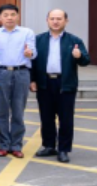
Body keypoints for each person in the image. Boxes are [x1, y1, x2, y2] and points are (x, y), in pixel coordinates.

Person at [31, 9, 91, 163]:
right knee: (46, 117)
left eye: (59, 18)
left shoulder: (74, 40)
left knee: (66, 119)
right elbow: (33, 62)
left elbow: (86, 61)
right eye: (52, 18)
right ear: (47, 20)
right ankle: (49, 146)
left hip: (65, 83)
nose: (55, 21)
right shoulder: (39, 40)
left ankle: (63, 149)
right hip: (45, 82)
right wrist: (33, 80)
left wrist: (79, 56)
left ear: (66, 21)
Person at [0, 4, 36, 159]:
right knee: (1, 111)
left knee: (18, 110)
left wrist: (29, 53)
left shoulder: (27, 32)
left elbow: (33, 53)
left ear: (18, 16)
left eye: (13, 14)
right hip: (0, 73)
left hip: (21, 73)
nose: (9, 17)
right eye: (6, 15)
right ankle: (4, 145)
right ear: (0, 17)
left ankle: (16, 145)